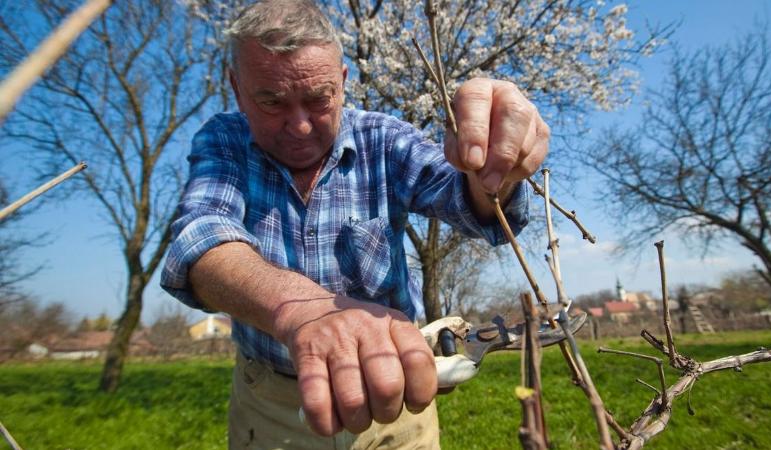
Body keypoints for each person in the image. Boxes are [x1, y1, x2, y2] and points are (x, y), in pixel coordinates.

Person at [160, 1, 550, 448]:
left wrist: (493, 164)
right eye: (271, 101)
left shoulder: (383, 140)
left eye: (318, 98)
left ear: (344, 83)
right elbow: (201, 240)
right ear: (236, 88)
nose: (301, 126)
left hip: (399, 402)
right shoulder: (224, 140)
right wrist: (300, 308)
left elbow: (467, 199)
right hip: (271, 404)